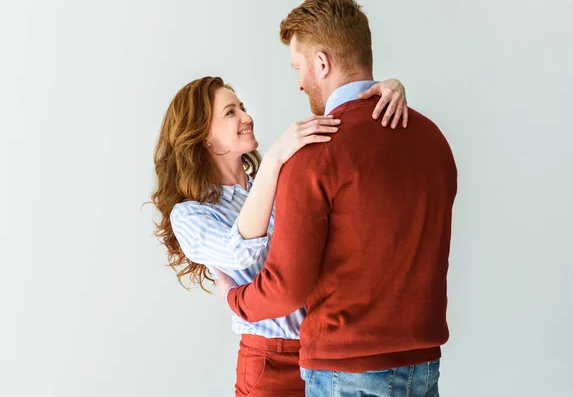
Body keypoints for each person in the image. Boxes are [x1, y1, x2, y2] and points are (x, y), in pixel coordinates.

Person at [217, 0, 458, 396]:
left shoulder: (314, 152)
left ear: (322, 63)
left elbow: (286, 287)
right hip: (423, 366)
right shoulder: (433, 139)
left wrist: (236, 298)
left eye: (298, 67)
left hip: (346, 373)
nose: (298, 82)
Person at [151, 75, 409, 396]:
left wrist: (383, 91)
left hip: (325, 353)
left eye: (242, 107)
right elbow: (241, 251)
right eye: (231, 112)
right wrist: (274, 158)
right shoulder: (190, 214)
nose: (247, 117)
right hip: (270, 361)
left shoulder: (277, 179)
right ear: (203, 135)